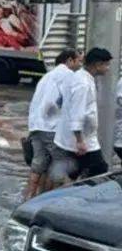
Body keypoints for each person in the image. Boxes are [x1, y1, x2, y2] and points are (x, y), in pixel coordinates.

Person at [52, 46, 114, 183]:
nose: (108, 68)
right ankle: (79, 194)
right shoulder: (83, 84)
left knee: (74, 173)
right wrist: (79, 140)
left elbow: (61, 101)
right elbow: (77, 112)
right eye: (107, 64)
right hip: (81, 140)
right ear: (98, 65)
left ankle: (72, 191)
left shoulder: (80, 77)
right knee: (100, 169)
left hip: (78, 138)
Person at [23, 48, 79, 198]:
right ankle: (56, 204)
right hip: (52, 128)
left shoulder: (46, 77)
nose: (79, 64)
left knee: (37, 167)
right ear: (69, 61)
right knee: (60, 168)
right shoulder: (69, 76)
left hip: (36, 127)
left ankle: (27, 200)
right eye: (78, 61)